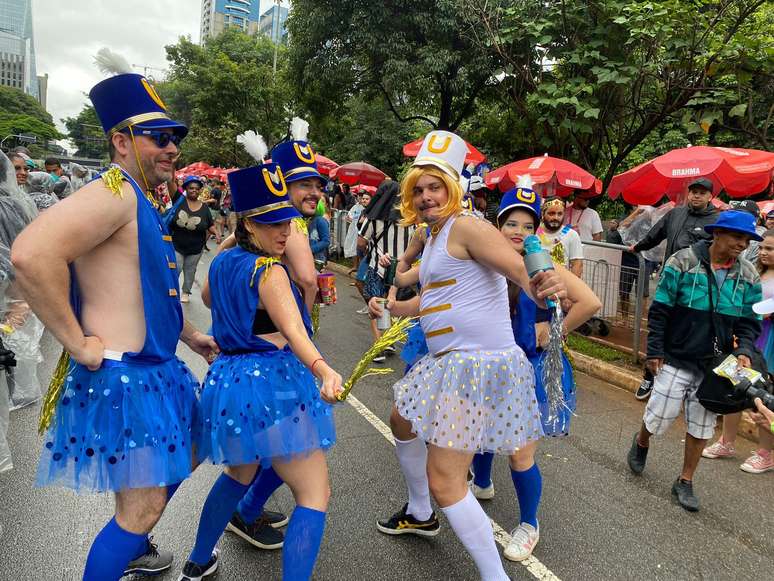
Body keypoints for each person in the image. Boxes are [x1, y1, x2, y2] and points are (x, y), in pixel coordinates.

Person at [10, 58, 218, 580]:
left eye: (175, 136)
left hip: (155, 372)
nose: (172, 146)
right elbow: (31, 254)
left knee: (189, 453)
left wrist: (190, 334)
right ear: (122, 141)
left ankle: (132, 546)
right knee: (141, 509)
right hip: (128, 379)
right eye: (158, 137)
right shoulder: (114, 191)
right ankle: (128, 543)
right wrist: (76, 342)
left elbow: (145, 287)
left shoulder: (139, 198)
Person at [368, 130, 565, 581]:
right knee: (401, 418)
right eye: (418, 189)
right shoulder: (438, 235)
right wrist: (393, 306)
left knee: (447, 481)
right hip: (449, 362)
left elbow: (520, 270)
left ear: (454, 188)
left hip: (474, 367)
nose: (425, 196)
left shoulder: (468, 226)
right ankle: (420, 513)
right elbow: (430, 295)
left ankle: (493, 575)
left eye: (434, 186)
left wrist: (545, 285)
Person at [179, 147, 340, 581]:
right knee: (313, 493)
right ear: (250, 222)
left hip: (228, 379)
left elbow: (211, 301)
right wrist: (323, 369)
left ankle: (198, 560)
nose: (285, 231)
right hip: (272, 380)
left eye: (286, 221)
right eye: (274, 223)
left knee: (240, 470)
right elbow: (295, 333)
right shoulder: (270, 270)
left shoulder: (224, 260)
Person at [466, 184, 600, 561]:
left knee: (519, 455)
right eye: (511, 223)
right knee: (480, 434)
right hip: (486, 366)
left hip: (530, 371)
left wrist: (553, 331)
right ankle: (483, 483)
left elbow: (590, 302)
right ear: (497, 225)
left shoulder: (543, 266)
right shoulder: (483, 264)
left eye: (528, 226)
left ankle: (529, 524)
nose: (519, 232)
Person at [216, 119, 329, 552]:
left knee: (252, 458)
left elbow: (209, 291)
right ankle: (246, 513)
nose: (312, 193)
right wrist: (312, 350)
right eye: (302, 183)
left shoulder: (243, 245)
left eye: (315, 183)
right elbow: (305, 278)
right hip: (274, 358)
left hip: (236, 360)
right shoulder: (284, 239)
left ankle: (201, 553)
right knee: (292, 456)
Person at [627, 210, 762, 512]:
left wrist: (745, 351)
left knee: (702, 427)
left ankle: (685, 481)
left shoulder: (748, 276)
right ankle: (641, 442)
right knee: (659, 416)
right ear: (718, 234)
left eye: (747, 239)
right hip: (675, 356)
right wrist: (655, 351)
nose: (743, 244)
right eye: (738, 237)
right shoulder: (682, 262)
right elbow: (660, 310)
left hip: (715, 366)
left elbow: (750, 323)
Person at [628, 178, 718, 400]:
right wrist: (638, 247)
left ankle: (690, 384)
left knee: (691, 331)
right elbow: (655, 234)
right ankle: (649, 376)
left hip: (698, 289)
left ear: (710, 197)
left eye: (701, 193)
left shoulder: (716, 221)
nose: (696, 196)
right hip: (669, 282)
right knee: (658, 325)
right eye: (693, 192)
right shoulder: (675, 214)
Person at [701, 229, 774, 473]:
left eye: (770, 249)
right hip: (742, 340)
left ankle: (766, 452)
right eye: (762, 248)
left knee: (764, 395)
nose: (764, 252)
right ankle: (727, 441)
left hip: (768, 341)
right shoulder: (750, 272)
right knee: (735, 387)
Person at [357, 179, 415, 353]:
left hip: (378, 267)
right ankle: (388, 340)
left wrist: (370, 248)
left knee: (376, 304)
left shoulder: (373, 220)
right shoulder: (410, 220)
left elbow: (361, 242)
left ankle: (379, 346)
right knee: (392, 305)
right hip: (402, 272)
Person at [169, 176, 220, 304]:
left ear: (200, 191)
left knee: (190, 270)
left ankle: (186, 292)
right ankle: (171, 290)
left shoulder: (204, 208)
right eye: (191, 188)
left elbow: (210, 225)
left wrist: (217, 234)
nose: (194, 191)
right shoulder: (179, 201)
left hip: (196, 248)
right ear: (186, 188)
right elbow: (170, 181)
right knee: (176, 267)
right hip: (177, 244)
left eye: (197, 189)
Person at [538, 197, 583, 277]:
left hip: (561, 286)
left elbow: (577, 265)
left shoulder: (572, 235)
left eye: (559, 214)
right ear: (543, 214)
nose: (556, 217)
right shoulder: (533, 232)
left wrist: (571, 288)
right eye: (551, 213)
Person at [343, 189, 370, 260]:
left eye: (365, 198)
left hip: (363, 235)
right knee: (354, 249)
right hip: (354, 231)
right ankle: (355, 266)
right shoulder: (355, 206)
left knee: (362, 250)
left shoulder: (369, 209)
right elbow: (349, 217)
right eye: (360, 196)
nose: (362, 198)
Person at [308, 198, 331, 266]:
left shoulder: (321, 220)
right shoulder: (310, 220)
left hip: (318, 258)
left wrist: (310, 249)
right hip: (309, 257)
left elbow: (326, 241)